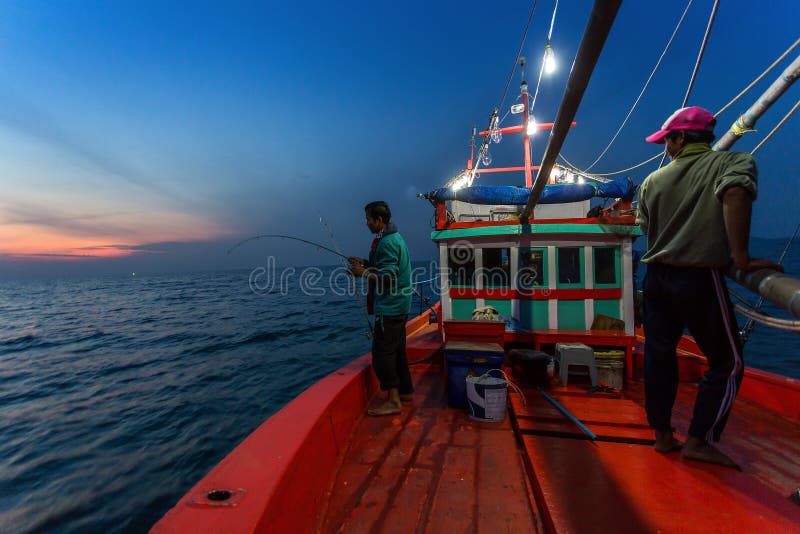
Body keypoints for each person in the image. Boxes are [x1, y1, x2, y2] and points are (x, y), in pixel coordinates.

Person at [636, 106, 782, 468]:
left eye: (668, 139)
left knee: (659, 356)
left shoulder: (653, 182)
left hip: (655, 278)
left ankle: (663, 436)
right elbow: (736, 195)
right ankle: (699, 439)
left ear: (681, 138)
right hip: (697, 278)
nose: (665, 147)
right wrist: (742, 258)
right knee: (728, 362)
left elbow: (645, 228)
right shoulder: (731, 164)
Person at [349, 201, 414, 416]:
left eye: (368, 219)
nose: (366, 223)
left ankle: (393, 401)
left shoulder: (386, 242)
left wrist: (363, 273)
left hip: (391, 306)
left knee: (382, 354)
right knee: (397, 351)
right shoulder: (392, 238)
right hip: (400, 304)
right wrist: (366, 263)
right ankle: (405, 393)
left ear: (379, 220)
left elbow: (388, 278)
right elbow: (385, 267)